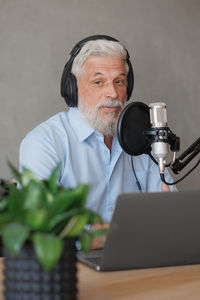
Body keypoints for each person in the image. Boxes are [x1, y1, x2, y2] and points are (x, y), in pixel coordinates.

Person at [19, 35, 176, 225]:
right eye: (98, 82)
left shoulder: (141, 139)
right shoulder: (45, 142)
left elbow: (170, 215)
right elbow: (39, 228)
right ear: (73, 88)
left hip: (136, 254)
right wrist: (106, 236)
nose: (113, 93)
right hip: (74, 255)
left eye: (119, 81)